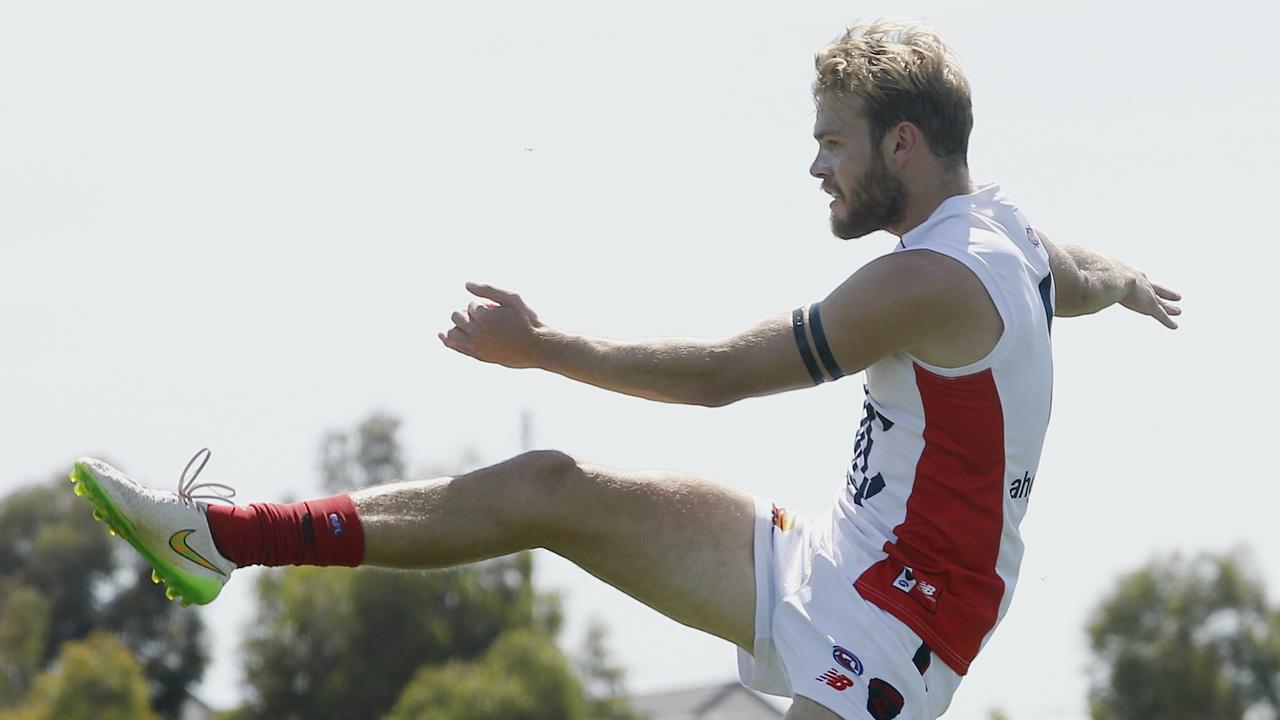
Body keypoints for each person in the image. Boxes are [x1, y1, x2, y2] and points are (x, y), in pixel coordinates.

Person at [70, 19, 1180, 720]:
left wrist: (542, 345)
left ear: (900, 145)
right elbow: (1076, 273)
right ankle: (219, 538)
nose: (814, 165)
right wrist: (1128, 282)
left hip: (892, 634)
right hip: (839, 560)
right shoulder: (1011, 237)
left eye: (832, 142)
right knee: (548, 488)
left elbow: (717, 380)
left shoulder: (920, 284)